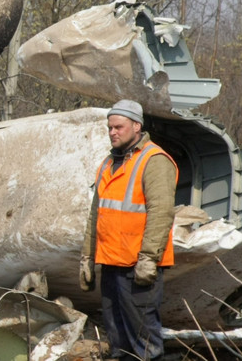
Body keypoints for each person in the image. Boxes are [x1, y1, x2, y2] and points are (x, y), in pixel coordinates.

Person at [79, 99, 177, 361]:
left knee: (144, 340)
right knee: (117, 340)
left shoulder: (154, 161)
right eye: (110, 127)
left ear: (136, 126)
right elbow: (96, 214)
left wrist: (148, 259)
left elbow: (161, 213)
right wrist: (87, 257)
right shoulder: (109, 163)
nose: (112, 132)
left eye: (118, 127)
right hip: (111, 263)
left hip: (137, 267)